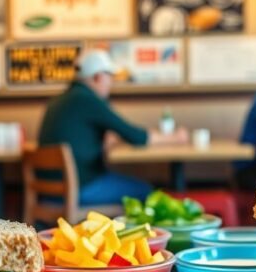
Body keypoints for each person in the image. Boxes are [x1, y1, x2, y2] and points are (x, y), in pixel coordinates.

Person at [38, 50, 188, 206]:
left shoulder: (59, 100)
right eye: (109, 77)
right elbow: (135, 136)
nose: (111, 83)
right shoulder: (88, 99)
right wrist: (175, 138)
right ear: (98, 77)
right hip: (79, 189)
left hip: (49, 191)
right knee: (147, 192)